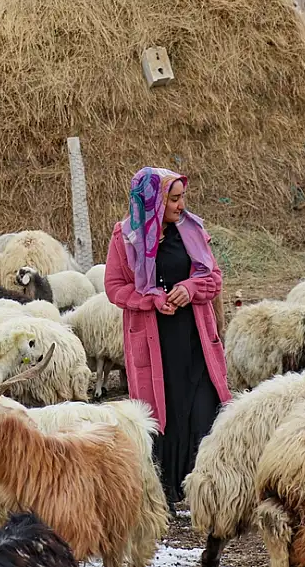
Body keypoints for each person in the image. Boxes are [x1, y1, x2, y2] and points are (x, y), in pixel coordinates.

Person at [104, 166, 231, 510]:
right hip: (155, 342)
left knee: (204, 407)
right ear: (153, 203)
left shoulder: (192, 231)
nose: (180, 206)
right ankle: (168, 491)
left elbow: (214, 278)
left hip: (195, 337)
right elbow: (115, 288)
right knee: (165, 412)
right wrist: (153, 299)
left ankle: (204, 487)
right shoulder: (125, 237)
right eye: (173, 199)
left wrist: (190, 289)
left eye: (182, 198)